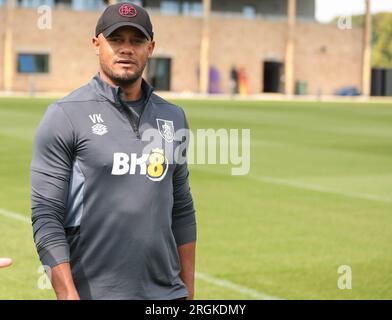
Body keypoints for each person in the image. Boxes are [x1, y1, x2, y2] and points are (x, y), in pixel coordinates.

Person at [30, 2, 196, 300]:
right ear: (97, 44)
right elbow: (46, 215)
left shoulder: (173, 116)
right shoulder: (65, 115)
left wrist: (188, 290)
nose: (126, 49)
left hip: (167, 296)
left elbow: (181, 208)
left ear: (151, 47)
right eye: (116, 39)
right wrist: (68, 295)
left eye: (137, 40)